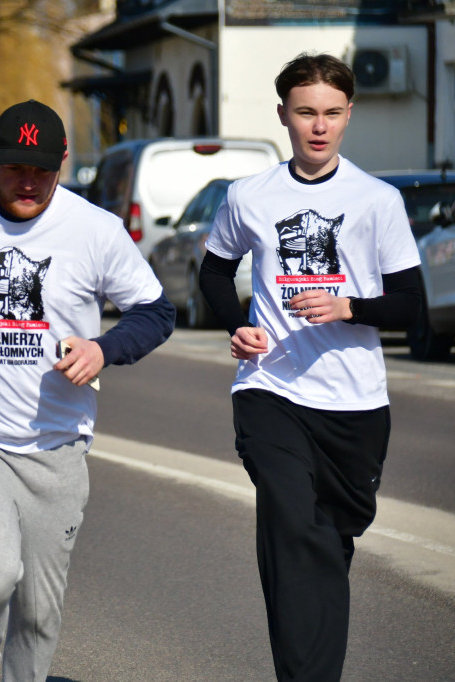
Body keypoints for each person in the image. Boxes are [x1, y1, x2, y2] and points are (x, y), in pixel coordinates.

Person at [0, 100, 175, 682]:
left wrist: (104, 348)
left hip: (58, 444)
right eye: (15, 167)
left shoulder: (96, 230)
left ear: (63, 162)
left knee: (40, 613)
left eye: (42, 169)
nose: (28, 181)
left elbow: (156, 310)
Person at [199, 53, 423, 681]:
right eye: (305, 113)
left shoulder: (377, 201)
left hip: (354, 405)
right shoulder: (249, 196)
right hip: (271, 389)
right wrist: (236, 326)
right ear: (283, 116)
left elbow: (410, 304)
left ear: (349, 114)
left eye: (330, 113)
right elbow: (214, 272)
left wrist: (349, 304)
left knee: (327, 544)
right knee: (292, 525)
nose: (318, 126)